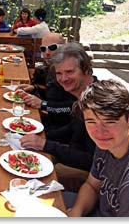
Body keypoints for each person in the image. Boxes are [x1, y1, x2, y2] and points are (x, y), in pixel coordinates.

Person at [67, 79, 129, 217]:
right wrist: (77, 211)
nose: (100, 132)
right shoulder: (108, 143)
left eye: (110, 121)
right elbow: (92, 185)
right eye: (91, 121)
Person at [20, 42, 96, 178]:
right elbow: (71, 129)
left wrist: (45, 144)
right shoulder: (83, 95)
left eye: (70, 72)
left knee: (27, 171)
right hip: (68, 150)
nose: (63, 79)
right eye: (59, 73)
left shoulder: (98, 103)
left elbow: (92, 160)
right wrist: (38, 135)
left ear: (85, 69)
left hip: (90, 173)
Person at [17, 33, 76, 129]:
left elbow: (71, 107)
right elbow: (55, 94)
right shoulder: (51, 68)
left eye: (52, 48)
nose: (47, 52)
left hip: (63, 128)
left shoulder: (69, 72)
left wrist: (43, 104)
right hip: (51, 119)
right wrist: (34, 89)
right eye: (43, 49)